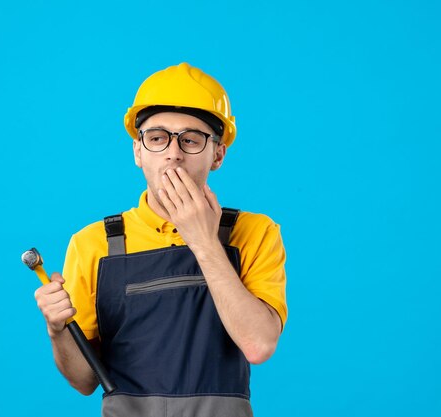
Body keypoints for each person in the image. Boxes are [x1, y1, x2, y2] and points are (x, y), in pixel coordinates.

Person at [34, 62, 288, 417]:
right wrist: (57, 329)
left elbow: (258, 345)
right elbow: (83, 381)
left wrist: (202, 240)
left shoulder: (255, 232)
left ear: (217, 154)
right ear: (138, 152)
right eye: (157, 138)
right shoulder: (94, 243)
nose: (174, 153)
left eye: (191, 139)